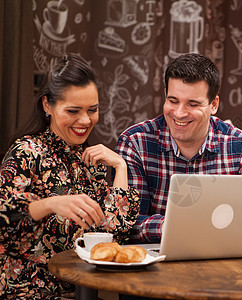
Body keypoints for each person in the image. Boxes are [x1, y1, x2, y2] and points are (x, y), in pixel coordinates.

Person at [0, 54, 140, 299]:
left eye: (93, 110)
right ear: (47, 105)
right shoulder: (27, 152)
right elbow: (4, 220)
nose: (85, 120)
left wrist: (120, 166)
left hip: (80, 291)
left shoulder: (90, 159)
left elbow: (111, 236)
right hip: (27, 292)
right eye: (73, 110)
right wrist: (50, 204)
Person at [115, 53, 242, 244]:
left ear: (214, 105)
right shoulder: (135, 142)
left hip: (223, 263)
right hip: (154, 265)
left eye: (192, 104)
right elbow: (127, 225)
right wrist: (177, 225)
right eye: (173, 101)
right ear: (165, 96)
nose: (179, 113)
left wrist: (198, 226)